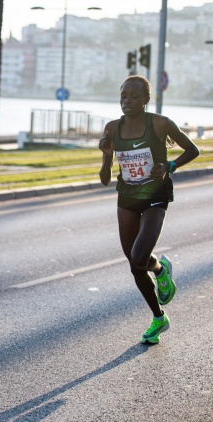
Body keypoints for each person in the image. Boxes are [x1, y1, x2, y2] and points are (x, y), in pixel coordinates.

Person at [99, 75, 199, 344]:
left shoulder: (159, 123)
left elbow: (193, 149)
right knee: (135, 264)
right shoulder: (111, 128)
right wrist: (108, 156)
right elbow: (105, 179)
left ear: (145, 99)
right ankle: (159, 316)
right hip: (128, 197)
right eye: (123, 96)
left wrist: (170, 166)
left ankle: (158, 268)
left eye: (133, 96)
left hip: (156, 194)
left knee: (139, 256)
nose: (127, 101)